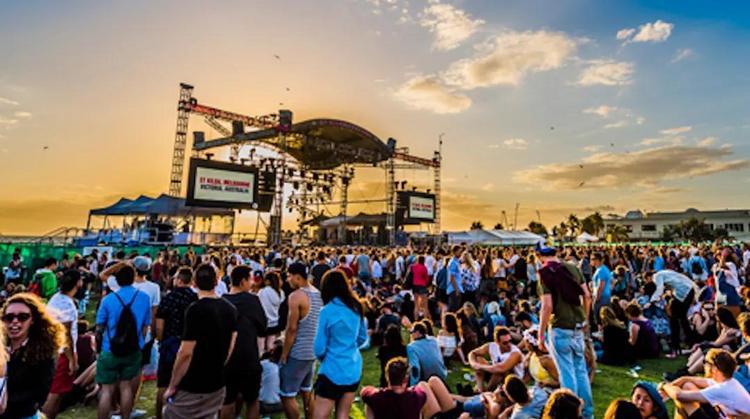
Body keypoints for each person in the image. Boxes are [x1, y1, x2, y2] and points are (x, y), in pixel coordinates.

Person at [163, 264, 238, 419]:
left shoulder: (195, 310)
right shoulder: (230, 309)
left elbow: (186, 352)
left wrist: (172, 385)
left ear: (194, 283)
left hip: (193, 382)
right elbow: (231, 344)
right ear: (217, 281)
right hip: (216, 381)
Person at [537, 243, 594, 419]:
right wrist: (585, 318)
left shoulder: (544, 272)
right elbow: (587, 295)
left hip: (560, 326)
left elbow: (547, 306)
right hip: (577, 325)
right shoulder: (573, 268)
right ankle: (587, 413)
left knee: (566, 373)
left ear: (540, 256)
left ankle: (570, 414)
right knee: (581, 372)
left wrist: (540, 334)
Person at [95, 263, 152, 419]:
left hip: (110, 349)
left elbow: (99, 328)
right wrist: (140, 344)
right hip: (133, 349)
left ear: (117, 280)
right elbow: (145, 326)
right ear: (133, 278)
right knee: (126, 387)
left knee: (106, 390)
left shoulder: (108, 300)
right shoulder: (144, 298)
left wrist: (98, 350)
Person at [313, 270, 368, 419]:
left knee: (320, 415)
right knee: (343, 414)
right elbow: (362, 337)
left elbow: (319, 348)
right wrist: (348, 346)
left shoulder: (326, 311)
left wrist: (327, 355)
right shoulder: (356, 307)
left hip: (331, 369)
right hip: (352, 367)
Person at [0, 293, 65, 419]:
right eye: (9, 317)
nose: (15, 321)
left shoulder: (43, 353)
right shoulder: (2, 347)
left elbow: (39, 395)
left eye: (22, 317)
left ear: (33, 320)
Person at [221, 265, 268, 419]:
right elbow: (263, 327)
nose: (252, 283)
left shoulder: (222, 301)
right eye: (250, 280)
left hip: (226, 357)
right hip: (249, 356)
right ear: (243, 281)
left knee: (227, 400)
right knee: (252, 400)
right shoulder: (253, 300)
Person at [280, 262, 322, 419]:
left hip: (298, 351)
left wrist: (284, 354)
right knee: (307, 391)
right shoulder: (318, 293)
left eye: (289, 276)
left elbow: (292, 329)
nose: (287, 280)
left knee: (287, 394)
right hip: (313, 350)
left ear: (297, 277)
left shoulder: (296, 296)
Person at [154, 267, 197, 419]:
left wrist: (161, 340)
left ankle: (160, 415)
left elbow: (159, 325)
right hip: (189, 344)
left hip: (169, 343)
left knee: (164, 384)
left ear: (178, 280)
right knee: (186, 385)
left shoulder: (168, 298)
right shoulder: (195, 298)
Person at [660, 348, 750, 418]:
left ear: (714, 368)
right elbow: (687, 379)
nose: (704, 366)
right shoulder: (728, 381)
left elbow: (678, 395)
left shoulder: (722, 389)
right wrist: (668, 388)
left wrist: (664, 386)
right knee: (688, 385)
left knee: (684, 400)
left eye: (706, 362)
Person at [43, 269, 83, 419]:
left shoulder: (57, 298)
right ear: (78, 283)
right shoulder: (65, 303)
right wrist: (72, 359)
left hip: (57, 350)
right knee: (55, 393)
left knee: (58, 393)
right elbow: (65, 334)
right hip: (62, 353)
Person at [647, 270, 697, 358]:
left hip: (683, 293)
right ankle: (692, 344)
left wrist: (651, 301)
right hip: (689, 290)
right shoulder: (665, 272)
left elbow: (659, 289)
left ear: (649, 277)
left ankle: (676, 349)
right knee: (683, 319)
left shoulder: (656, 276)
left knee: (674, 321)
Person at [360, 357, 427, 419]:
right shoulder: (417, 396)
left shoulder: (377, 397)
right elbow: (422, 392)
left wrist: (376, 390)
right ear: (406, 378)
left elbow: (364, 392)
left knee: (369, 403)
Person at [468, 326, 523, 392]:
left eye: (510, 341)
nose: (509, 345)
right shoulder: (491, 346)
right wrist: (473, 364)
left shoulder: (515, 352)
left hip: (512, 381)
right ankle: (480, 389)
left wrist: (480, 366)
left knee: (499, 372)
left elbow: (501, 369)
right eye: (505, 343)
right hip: (495, 374)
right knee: (478, 358)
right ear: (497, 342)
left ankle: (487, 391)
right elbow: (472, 353)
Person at [406, 322, 447, 386]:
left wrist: (413, 385)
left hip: (427, 378)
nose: (411, 335)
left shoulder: (411, 347)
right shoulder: (434, 340)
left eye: (412, 332)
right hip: (442, 375)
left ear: (418, 333)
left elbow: (415, 368)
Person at [258, 271, 285, 354]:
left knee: (260, 347)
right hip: (275, 323)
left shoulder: (262, 291)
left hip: (263, 323)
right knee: (271, 346)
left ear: (268, 281)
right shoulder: (281, 293)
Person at [411, 256, 430, 320]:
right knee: (425, 305)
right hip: (422, 286)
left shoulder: (413, 267)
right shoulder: (424, 268)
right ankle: (425, 320)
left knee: (416, 305)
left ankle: (416, 319)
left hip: (414, 286)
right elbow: (426, 279)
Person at [447, 246, 464, 312]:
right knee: (454, 309)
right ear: (455, 252)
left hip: (456, 288)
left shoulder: (456, 261)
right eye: (459, 252)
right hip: (454, 289)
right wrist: (456, 289)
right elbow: (451, 277)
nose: (461, 253)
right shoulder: (453, 262)